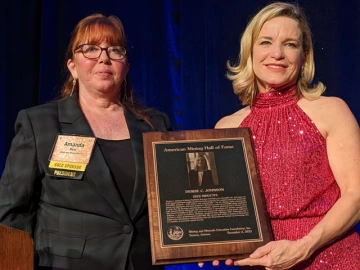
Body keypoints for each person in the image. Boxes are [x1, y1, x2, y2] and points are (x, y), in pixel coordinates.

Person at [0, 14, 170, 270]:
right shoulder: (39, 123)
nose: (104, 57)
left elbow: (174, 201)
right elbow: (11, 214)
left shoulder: (154, 124)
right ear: (72, 66)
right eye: (91, 49)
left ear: (126, 66)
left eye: (115, 50)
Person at [213, 2, 360, 269]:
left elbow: (356, 194)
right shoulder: (226, 127)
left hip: (330, 258)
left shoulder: (332, 111)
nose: (277, 53)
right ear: (250, 52)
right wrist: (207, 240)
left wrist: (303, 247)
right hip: (259, 261)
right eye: (266, 42)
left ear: (304, 56)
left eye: (291, 44)